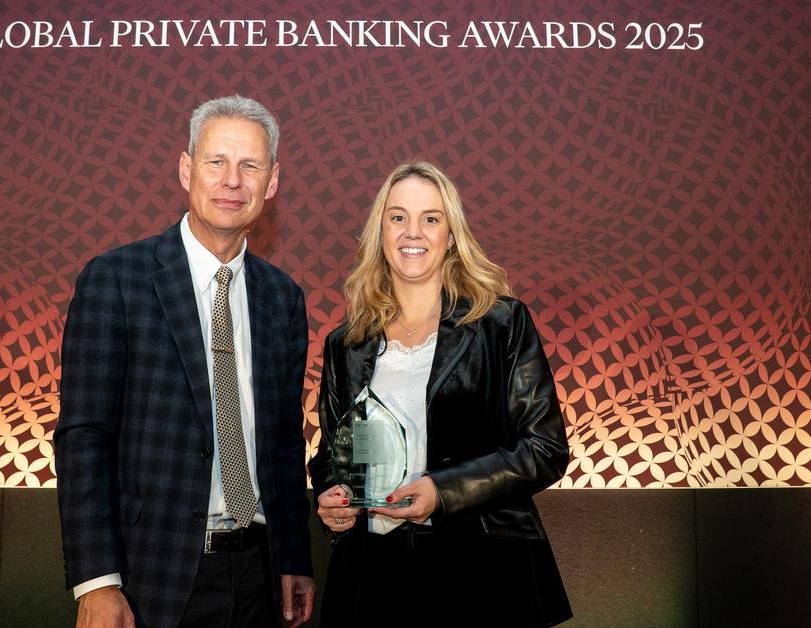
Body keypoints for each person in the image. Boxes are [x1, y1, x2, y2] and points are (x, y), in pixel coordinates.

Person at [55, 95, 315, 628]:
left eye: (250, 166)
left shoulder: (282, 298)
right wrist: (98, 581)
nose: (232, 181)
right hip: (150, 575)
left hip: (259, 576)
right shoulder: (115, 280)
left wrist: (293, 556)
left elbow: (285, 443)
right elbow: (84, 437)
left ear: (272, 182)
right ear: (185, 169)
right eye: (216, 161)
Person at [308, 161, 573, 626]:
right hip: (373, 574)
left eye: (430, 218)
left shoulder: (501, 324)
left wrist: (442, 490)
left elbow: (544, 448)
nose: (413, 232)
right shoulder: (346, 343)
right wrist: (334, 495)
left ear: (451, 236)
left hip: (481, 570)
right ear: (380, 232)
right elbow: (334, 453)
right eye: (398, 217)